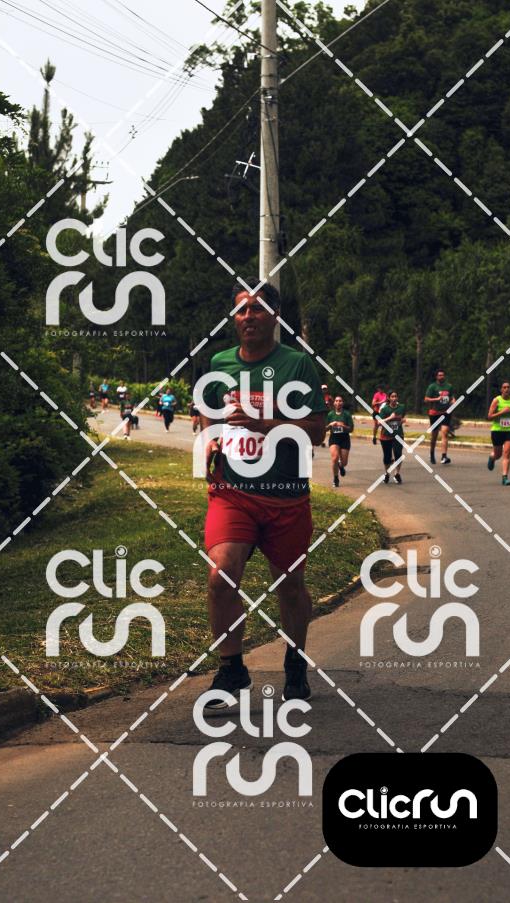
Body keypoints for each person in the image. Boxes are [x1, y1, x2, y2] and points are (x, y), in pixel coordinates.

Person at [200, 279, 326, 707]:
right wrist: (212, 439)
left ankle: (295, 661)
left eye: (256, 309)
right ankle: (231, 670)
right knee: (221, 574)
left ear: (274, 316)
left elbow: (316, 431)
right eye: (241, 310)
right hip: (233, 492)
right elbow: (209, 411)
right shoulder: (219, 363)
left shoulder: (298, 365)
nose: (248, 316)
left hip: (285, 494)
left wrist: (265, 426)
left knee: (290, 586)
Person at [487, 381, 510, 486]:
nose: (506, 389)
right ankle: (492, 457)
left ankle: (505, 477)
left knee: (507, 454)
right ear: (501, 389)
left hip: (509, 430)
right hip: (497, 431)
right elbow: (489, 416)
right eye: (504, 387)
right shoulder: (496, 400)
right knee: (498, 454)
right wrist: (502, 412)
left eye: (508, 387)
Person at [425, 369, 455, 465]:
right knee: (434, 435)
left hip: (445, 412)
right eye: (439, 375)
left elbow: (451, 397)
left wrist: (453, 401)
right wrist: (436, 399)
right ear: (436, 377)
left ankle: (444, 456)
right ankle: (432, 453)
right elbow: (426, 399)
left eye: (443, 375)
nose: (441, 377)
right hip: (434, 413)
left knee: (445, 432)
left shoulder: (449, 386)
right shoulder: (432, 387)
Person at [378, 390, 406, 483]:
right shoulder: (384, 409)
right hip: (386, 436)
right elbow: (379, 422)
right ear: (389, 398)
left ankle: (397, 474)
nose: (394, 398)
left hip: (398, 435)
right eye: (392, 396)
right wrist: (390, 418)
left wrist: (402, 421)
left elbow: (402, 417)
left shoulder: (401, 407)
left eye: (395, 396)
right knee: (387, 457)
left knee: (398, 454)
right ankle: (387, 473)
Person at [327, 395, 354, 487]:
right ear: (334, 403)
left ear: (342, 403)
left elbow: (351, 429)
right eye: (336, 401)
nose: (338, 402)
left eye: (340, 401)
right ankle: (335, 478)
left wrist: (343, 426)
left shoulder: (347, 414)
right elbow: (325, 429)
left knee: (344, 462)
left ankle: (341, 466)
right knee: (334, 458)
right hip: (334, 438)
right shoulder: (330, 414)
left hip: (344, 438)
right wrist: (330, 425)